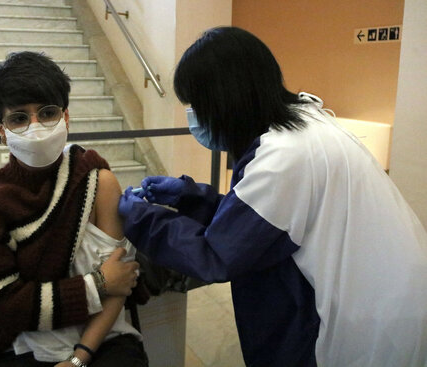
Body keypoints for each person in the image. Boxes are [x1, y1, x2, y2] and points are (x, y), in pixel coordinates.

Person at [118, 26, 427, 367]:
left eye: (197, 106)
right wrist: (192, 197)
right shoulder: (306, 125)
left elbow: (218, 254)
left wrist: (140, 216)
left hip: (362, 326)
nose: (195, 118)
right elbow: (264, 223)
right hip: (390, 297)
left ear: (225, 100)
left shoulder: (284, 156)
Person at [0, 51, 149, 367]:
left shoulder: (96, 180)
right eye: (19, 118)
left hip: (101, 340)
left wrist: (78, 358)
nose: (36, 127)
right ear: (1, 129)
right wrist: (96, 284)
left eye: (47, 113)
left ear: (66, 116)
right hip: (25, 345)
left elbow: (121, 282)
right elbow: (4, 305)